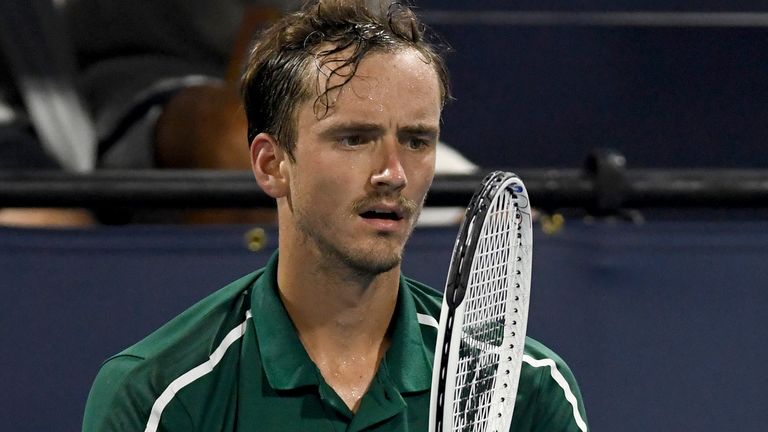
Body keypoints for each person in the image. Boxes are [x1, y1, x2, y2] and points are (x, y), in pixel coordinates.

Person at [82, 1, 588, 431]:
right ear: (271, 164)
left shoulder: (526, 387)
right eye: (354, 139)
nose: (392, 172)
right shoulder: (158, 396)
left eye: (416, 141)